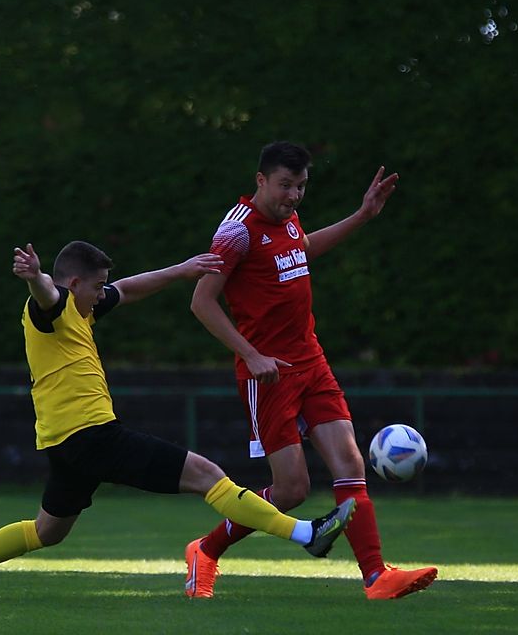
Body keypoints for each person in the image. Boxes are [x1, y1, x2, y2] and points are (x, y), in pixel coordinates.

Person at [0, 240, 355, 599]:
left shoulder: (83, 308)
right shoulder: (55, 305)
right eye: (96, 286)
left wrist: (182, 270)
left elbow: (131, 288)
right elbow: (47, 293)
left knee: (46, 532)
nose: (102, 294)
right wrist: (36, 277)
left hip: (64, 444)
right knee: (207, 474)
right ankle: (305, 533)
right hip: (93, 436)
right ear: (76, 283)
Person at [187, 141, 438, 600]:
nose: (294, 196)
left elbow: (301, 249)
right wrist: (253, 355)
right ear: (260, 180)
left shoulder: (288, 217)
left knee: (349, 463)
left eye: (301, 187)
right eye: (285, 186)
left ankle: (376, 577)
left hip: (312, 360)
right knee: (291, 491)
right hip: (269, 375)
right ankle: (205, 550)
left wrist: (362, 216)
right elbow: (201, 301)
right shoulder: (237, 231)